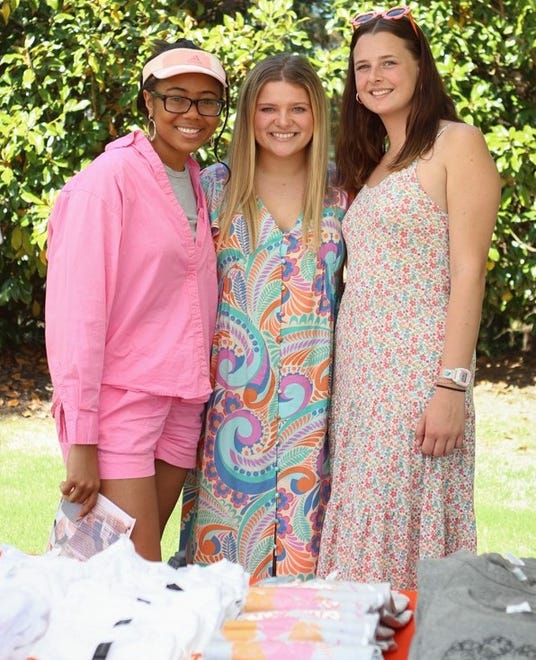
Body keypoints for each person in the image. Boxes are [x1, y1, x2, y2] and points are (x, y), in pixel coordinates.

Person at [316, 7, 501, 590]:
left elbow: (469, 273)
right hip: (361, 381)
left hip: (418, 374)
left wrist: (452, 384)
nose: (374, 76)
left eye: (389, 62)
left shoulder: (456, 143)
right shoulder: (371, 163)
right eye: (362, 66)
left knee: (402, 525)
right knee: (363, 525)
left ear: (420, 67)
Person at [45, 38, 229, 561]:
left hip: (183, 402)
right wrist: (81, 440)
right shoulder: (105, 184)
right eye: (176, 97)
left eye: (207, 100)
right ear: (149, 102)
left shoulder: (200, 182)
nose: (192, 113)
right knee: (132, 572)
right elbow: (74, 317)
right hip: (121, 403)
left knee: (123, 571)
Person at [179, 54, 347, 581]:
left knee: (307, 595)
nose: (283, 121)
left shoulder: (344, 194)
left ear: (317, 115)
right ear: (248, 114)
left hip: (315, 416)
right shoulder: (212, 189)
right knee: (219, 593)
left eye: (299, 108)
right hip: (226, 416)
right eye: (268, 108)